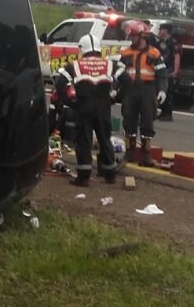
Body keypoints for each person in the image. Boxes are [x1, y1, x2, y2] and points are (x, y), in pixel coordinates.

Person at [55, 34, 122, 186]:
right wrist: (114, 98)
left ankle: (83, 177)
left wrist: (70, 102)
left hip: (83, 105)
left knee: (84, 140)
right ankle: (110, 174)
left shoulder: (75, 65)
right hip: (103, 105)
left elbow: (60, 83)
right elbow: (126, 80)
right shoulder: (110, 64)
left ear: (82, 49)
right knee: (105, 138)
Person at [117, 20, 167, 166]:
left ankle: (146, 155)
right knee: (128, 121)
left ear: (142, 36)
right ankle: (129, 153)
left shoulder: (154, 53)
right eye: (130, 36)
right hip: (130, 90)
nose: (132, 39)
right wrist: (115, 89)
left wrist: (162, 90)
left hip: (147, 90)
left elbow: (162, 74)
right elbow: (117, 73)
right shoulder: (125, 53)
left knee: (147, 122)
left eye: (134, 36)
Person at [156, 24, 182, 121]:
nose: (160, 31)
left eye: (161, 29)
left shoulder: (172, 42)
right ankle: (163, 111)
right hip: (162, 69)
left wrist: (175, 70)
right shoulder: (162, 41)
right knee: (161, 91)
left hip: (169, 70)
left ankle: (168, 114)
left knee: (168, 92)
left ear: (166, 30)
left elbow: (176, 56)